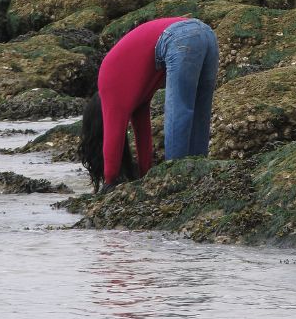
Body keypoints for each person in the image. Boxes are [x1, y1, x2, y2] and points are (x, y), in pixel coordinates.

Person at [79, 17, 219, 193]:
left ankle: (175, 179)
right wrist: (146, 175)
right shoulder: (135, 95)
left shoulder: (109, 89)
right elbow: (143, 134)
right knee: (200, 114)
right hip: (207, 33)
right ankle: (199, 173)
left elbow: (114, 136)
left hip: (179, 37)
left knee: (179, 112)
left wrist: (110, 181)